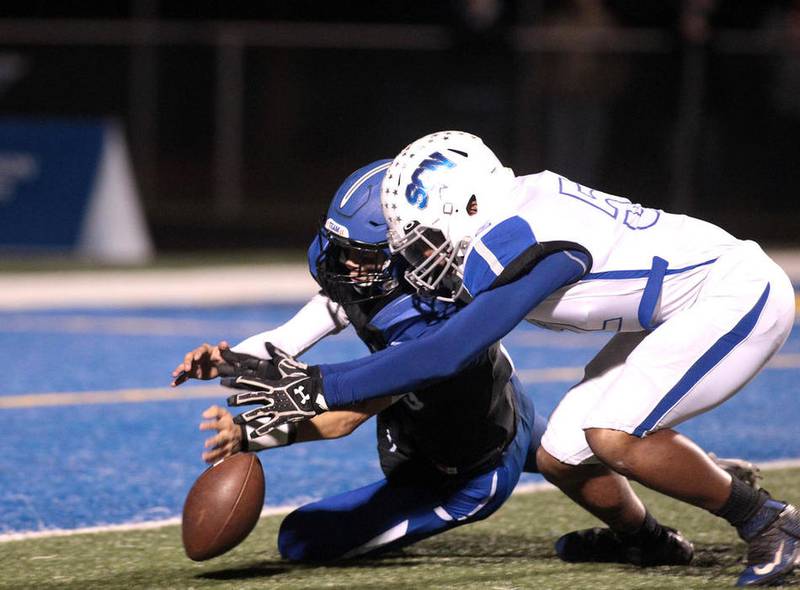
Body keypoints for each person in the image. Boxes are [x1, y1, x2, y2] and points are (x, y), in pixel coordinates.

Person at [224, 133, 798, 586]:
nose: (419, 257)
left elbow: (446, 352)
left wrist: (322, 384)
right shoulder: (508, 207)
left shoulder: (525, 238)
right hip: (681, 307)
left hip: (735, 296)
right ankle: (644, 540)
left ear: (468, 205)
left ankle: (768, 520)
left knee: (612, 435)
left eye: (423, 241)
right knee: (561, 456)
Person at [173, 160, 561, 561]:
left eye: (364, 256)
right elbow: (287, 338)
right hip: (500, 403)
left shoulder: (422, 324)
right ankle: (625, 518)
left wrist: (249, 435)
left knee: (300, 540)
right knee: (571, 453)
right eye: (342, 250)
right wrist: (227, 362)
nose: (347, 265)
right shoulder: (382, 285)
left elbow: (346, 417)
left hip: (470, 475)